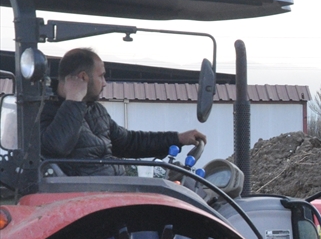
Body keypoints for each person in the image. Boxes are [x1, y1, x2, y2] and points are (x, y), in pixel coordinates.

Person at [41, 47, 206, 176]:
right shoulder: (43, 112)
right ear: (83, 77)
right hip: (84, 198)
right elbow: (57, 148)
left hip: (115, 188)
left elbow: (128, 142)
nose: (105, 83)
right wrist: (73, 101)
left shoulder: (96, 111)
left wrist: (177, 138)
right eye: (101, 76)